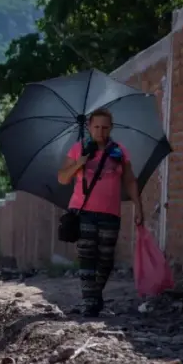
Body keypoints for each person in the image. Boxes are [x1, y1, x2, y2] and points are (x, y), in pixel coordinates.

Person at [57, 108, 144, 317]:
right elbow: (62, 178)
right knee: (87, 256)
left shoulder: (119, 151)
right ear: (89, 127)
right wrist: (79, 163)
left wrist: (139, 206)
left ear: (111, 128)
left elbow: (130, 181)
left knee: (105, 259)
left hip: (111, 213)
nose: (100, 131)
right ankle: (90, 303)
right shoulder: (79, 149)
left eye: (105, 127)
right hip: (83, 211)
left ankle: (94, 296)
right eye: (96, 127)